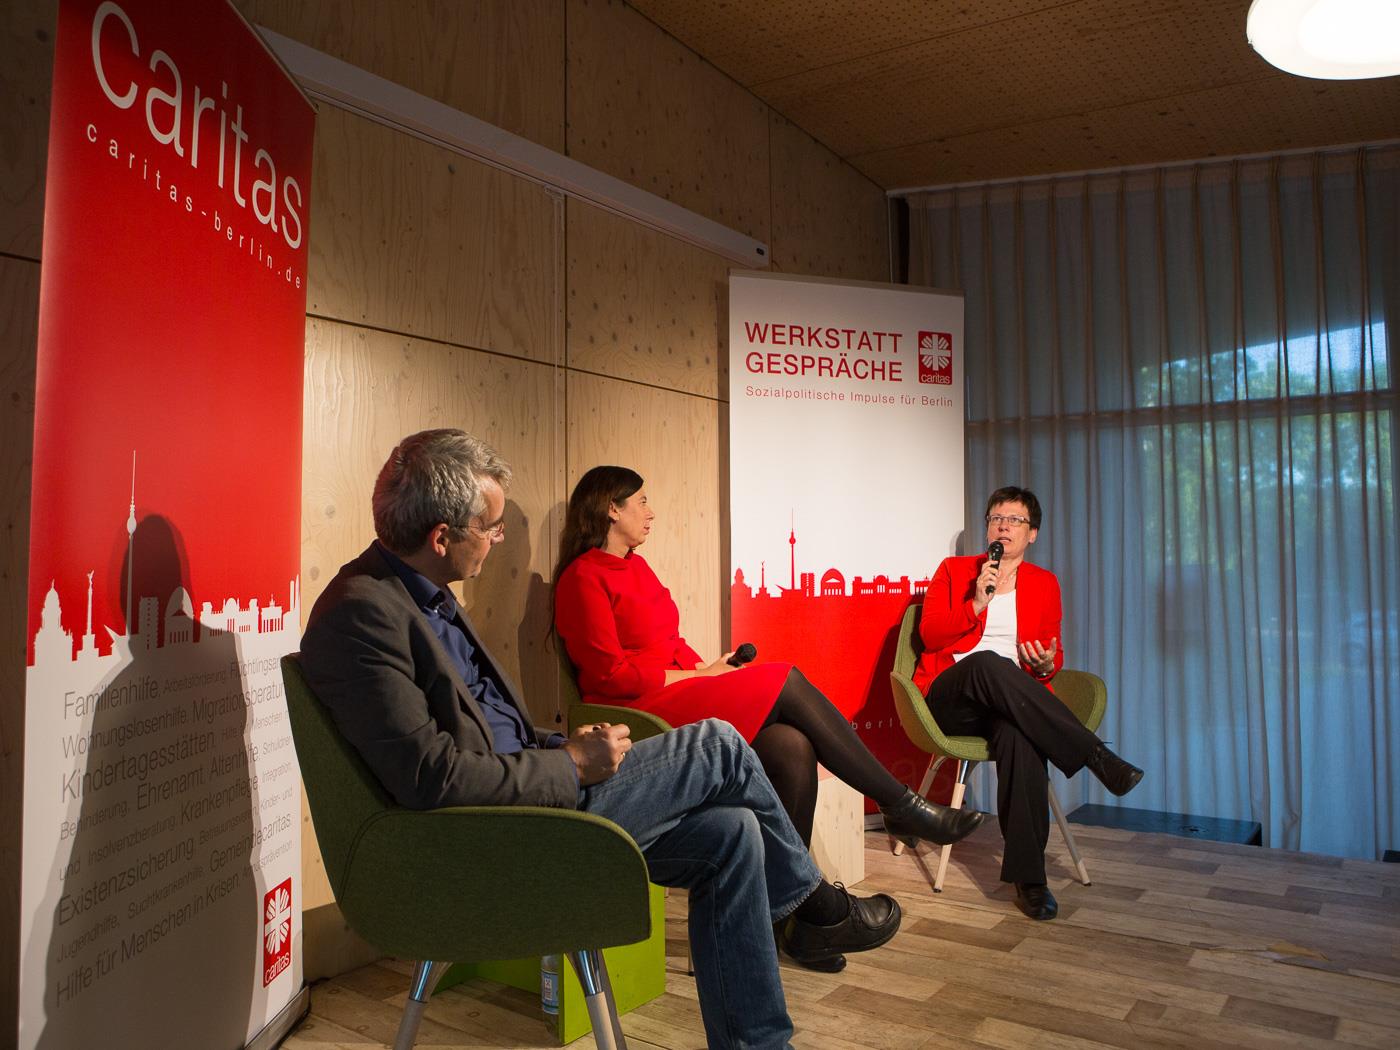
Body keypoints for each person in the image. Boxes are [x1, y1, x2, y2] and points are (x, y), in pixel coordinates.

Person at [299, 430, 902, 1049]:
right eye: (493, 527)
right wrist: (569, 765)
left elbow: (481, 727)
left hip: (531, 794)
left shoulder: (422, 596)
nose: (498, 539)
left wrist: (560, 743)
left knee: (734, 833)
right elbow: (433, 778)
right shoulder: (363, 611)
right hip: (488, 837)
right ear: (442, 536)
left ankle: (759, 1043)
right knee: (719, 743)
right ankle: (819, 911)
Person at [553, 466, 986, 968]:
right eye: (642, 502)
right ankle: (898, 803)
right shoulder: (581, 577)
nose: (650, 512)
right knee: (785, 678)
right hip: (639, 714)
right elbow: (608, 676)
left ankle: (794, 923)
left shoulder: (640, 568)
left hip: (674, 691)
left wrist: (705, 668)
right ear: (612, 507)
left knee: (790, 746)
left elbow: (672, 644)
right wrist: (693, 679)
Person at [913, 486, 1144, 921]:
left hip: (1009, 702)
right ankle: (1093, 753)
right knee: (985, 662)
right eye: (995, 518)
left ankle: (1030, 878)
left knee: (1019, 736)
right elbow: (931, 637)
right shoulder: (955, 571)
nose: (1002, 525)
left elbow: (1052, 660)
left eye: (1014, 520)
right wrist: (977, 601)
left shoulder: (1044, 583)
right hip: (952, 696)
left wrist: (1041, 665)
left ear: (1032, 533)